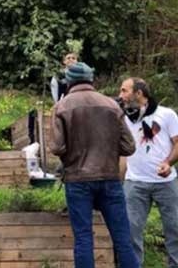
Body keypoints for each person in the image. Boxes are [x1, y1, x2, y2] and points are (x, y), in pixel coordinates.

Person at [50, 62, 138, 268]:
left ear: (69, 81)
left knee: (83, 239)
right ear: (91, 80)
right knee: (123, 239)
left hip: (78, 180)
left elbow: (57, 147)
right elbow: (129, 146)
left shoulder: (61, 107)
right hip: (110, 178)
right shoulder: (111, 105)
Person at [118, 77, 178, 267]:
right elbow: (123, 154)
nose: (121, 96)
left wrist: (168, 162)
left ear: (139, 94)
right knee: (130, 231)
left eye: (124, 91)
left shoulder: (166, 115)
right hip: (134, 183)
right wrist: (119, 182)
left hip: (166, 183)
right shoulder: (124, 119)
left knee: (174, 229)